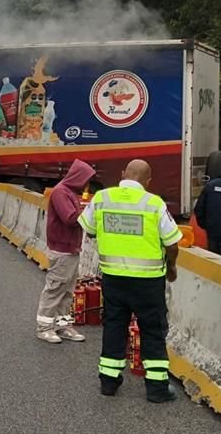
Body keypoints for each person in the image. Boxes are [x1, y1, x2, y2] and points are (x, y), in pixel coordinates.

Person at [78, 159, 182, 403]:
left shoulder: (102, 198)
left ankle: (108, 382)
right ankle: (157, 389)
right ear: (148, 181)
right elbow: (172, 243)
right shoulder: (154, 203)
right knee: (153, 331)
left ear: (123, 173)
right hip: (148, 281)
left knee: (114, 325)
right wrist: (172, 267)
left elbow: (90, 230)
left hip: (113, 278)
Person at [36, 159, 96, 344]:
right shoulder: (61, 192)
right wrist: (91, 211)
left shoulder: (69, 192)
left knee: (67, 289)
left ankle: (61, 325)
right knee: (55, 288)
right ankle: (44, 327)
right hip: (62, 249)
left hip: (70, 248)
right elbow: (70, 218)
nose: (87, 184)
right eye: (86, 179)